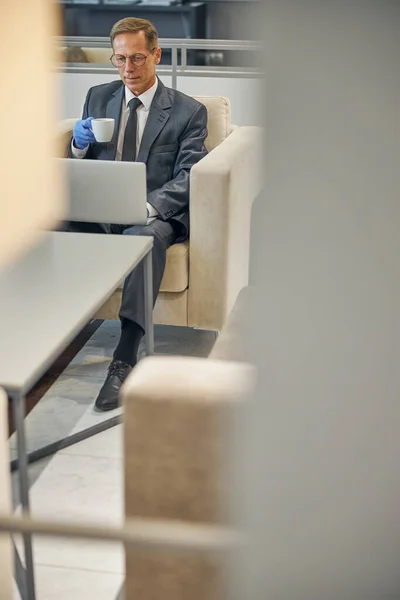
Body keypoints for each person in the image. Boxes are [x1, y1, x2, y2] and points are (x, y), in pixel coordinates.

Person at [65, 17, 208, 411]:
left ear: (157, 55)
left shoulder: (187, 111)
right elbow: (79, 164)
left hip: (153, 215)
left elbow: (189, 176)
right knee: (46, 223)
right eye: (120, 59)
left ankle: (124, 356)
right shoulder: (98, 96)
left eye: (138, 58)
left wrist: (148, 207)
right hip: (102, 210)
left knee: (141, 240)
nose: (129, 68)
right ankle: (45, 333)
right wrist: (76, 146)